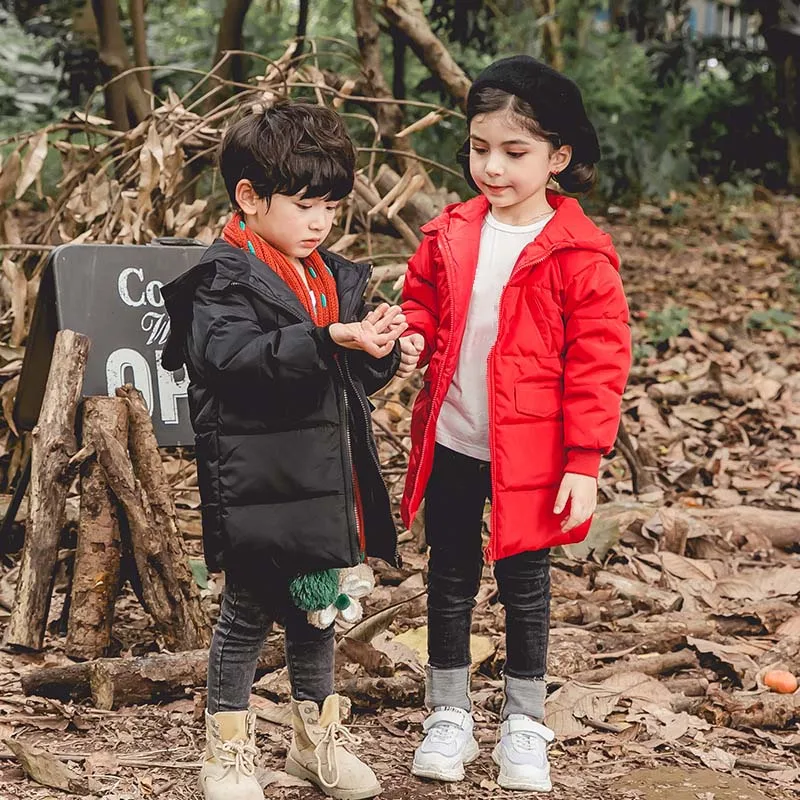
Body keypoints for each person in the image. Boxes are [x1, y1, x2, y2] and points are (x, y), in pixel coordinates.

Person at [395, 55, 632, 792]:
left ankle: (524, 723)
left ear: (558, 156)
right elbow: (423, 302)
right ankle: (449, 711)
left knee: (525, 583)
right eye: (479, 148)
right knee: (449, 576)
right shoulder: (450, 232)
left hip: (532, 453)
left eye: (515, 152)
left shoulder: (580, 254)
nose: (492, 167)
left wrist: (584, 461)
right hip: (456, 438)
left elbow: (599, 362)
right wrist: (409, 335)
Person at [162, 101, 404, 800]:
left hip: (323, 486)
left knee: (316, 611)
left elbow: (344, 376)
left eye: (331, 205)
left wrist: (383, 351)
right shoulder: (223, 279)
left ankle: (314, 740)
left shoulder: (327, 275)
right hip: (258, 485)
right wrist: (329, 338)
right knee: (246, 615)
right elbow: (233, 359)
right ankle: (226, 752)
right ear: (249, 197)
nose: (321, 221)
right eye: (304, 205)